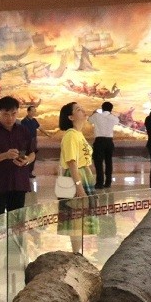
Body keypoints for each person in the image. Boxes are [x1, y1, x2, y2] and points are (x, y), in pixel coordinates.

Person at [0, 96, 37, 219]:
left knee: (17, 223)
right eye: (6, 114)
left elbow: (32, 153)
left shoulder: (23, 131)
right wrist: (5, 155)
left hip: (19, 182)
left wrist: (27, 161)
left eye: (13, 114)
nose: (10, 118)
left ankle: (16, 239)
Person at [57, 102, 98, 251]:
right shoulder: (70, 135)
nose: (83, 111)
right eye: (78, 109)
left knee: (81, 218)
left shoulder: (78, 134)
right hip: (74, 178)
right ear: (70, 117)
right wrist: (79, 186)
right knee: (75, 217)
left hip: (82, 176)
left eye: (82, 108)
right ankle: (75, 254)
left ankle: (77, 253)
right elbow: (72, 162)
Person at [88, 101, 119, 189]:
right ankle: (108, 182)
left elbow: (89, 120)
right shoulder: (113, 117)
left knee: (98, 162)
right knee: (109, 162)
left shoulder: (96, 116)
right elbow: (117, 121)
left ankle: (99, 183)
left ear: (102, 108)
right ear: (111, 109)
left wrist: (94, 113)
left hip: (99, 141)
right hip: (109, 141)